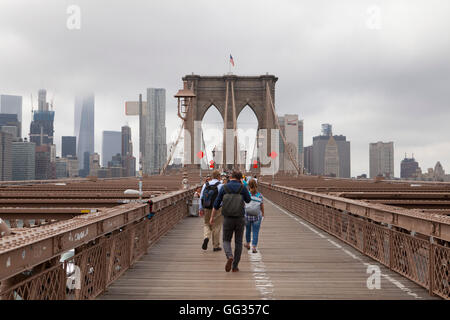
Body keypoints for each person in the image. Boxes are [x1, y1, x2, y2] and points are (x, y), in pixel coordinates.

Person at [210, 170, 251, 272]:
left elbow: (216, 204)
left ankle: (229, 256)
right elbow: (248, 200)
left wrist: (212, 217)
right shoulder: (242, 187)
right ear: (240, 178)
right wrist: (242, 186)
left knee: (226, 240)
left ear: (231, 177)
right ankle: (235, 266)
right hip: (240, 218)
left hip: (228, 218)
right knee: (238, 242)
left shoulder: (224, 187)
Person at [199, 170, 223, 251]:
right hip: (217, 208)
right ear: (219, 176)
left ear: (212, 176)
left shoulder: (206, 185)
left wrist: (200, 208)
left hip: (207, 207)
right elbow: (223, 198)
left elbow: (201, 197)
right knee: (216, 226)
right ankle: (216, 246)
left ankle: (206, 237)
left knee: (206, 224)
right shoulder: (221, 185)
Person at [244, 179, 264, 253]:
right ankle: (254, 247)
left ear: (249, 185)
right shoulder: (259, 195)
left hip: (247, 216)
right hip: (257, 216)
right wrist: (263, 215)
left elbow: (243, 204)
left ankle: (248, 244)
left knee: (248, 230)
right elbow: (262, 206)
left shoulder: (247, 194)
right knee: (256, 231)